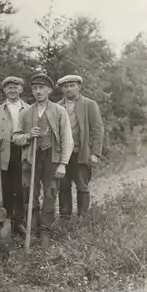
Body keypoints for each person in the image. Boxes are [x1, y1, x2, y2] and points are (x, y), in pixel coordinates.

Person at [12, 73, 73, 248]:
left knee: (50, 194)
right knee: (29, 195)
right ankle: (32, 231)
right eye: (35, 88)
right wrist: (28, 136)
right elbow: (15, 137)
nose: (38, 91)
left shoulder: (59, 111)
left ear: (49, 90)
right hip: (30, 159)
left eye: (41, 88)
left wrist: (63, 163)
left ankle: (45, 230)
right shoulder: (25, 112)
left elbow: (67, 139)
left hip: (51, 159)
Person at [56, 75, 104, 222]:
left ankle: (82, 218)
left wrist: (95, 153)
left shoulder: (89, 104)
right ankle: (65, 219)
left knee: (82, 186)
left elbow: (97, 129)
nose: (68, 89)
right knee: (63, 187)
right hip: (62, 155)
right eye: (65, 86)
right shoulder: (57, 106)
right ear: (62, 89)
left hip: (81, 153)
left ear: (79, 86)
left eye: (71, 85)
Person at [0, 77, 30, 237]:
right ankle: (6, 220)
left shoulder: (28, 108)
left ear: (21, 89)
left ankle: (19, 221)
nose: (12, 90)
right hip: (4, 152)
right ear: (4, 91)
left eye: (15, 87)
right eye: (9, 88)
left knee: (20, 188)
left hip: (22, 151)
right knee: (6, 189)